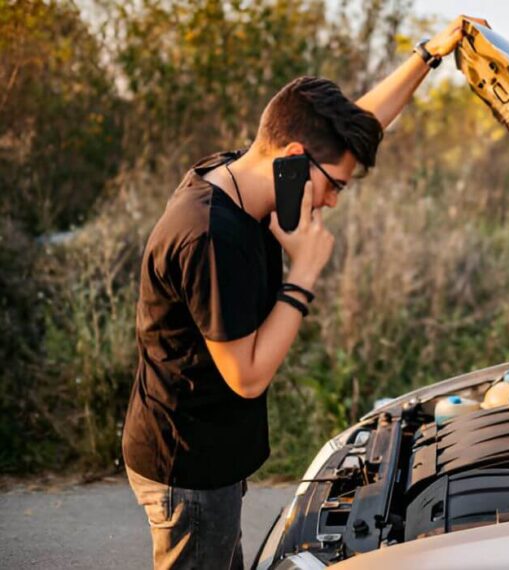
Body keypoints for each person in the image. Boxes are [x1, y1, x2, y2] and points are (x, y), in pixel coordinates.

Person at [121, 16, 483, 570]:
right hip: (188, 469)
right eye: (334, 185)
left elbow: (360, 126)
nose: (334, 201)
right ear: (292, 156)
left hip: (212, 451)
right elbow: (247, 375)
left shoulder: (241, 174)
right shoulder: (210, 236)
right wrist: (304, 273)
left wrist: (428, 56)